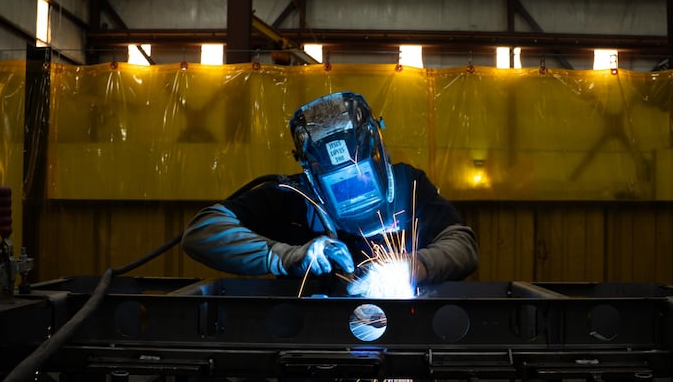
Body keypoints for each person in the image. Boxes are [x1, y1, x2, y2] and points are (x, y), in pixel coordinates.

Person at [181, 91, 478, 295]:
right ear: (315, 177)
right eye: (339, 184)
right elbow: (201, 232)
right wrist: (287, 257)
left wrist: (413, 267)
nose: (353, 193)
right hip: (307, 345)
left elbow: (463, 244)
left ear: (376, 158)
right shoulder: (294, 197)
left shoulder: (406, 185)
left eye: (359, 176)